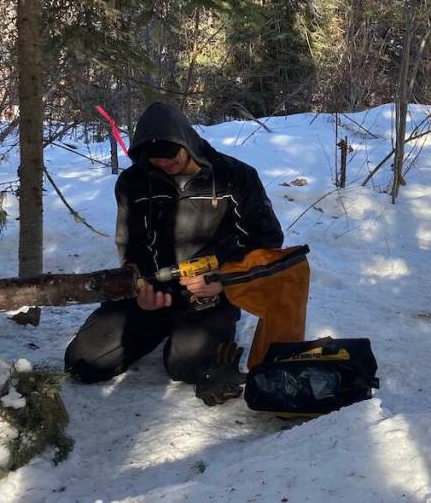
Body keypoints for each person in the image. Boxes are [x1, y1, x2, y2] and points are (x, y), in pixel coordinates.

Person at [65, 102, 283, 401]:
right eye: (155, 160)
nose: (164, 165)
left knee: (188, 366)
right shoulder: (133, 183)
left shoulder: (235, 177)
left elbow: (267, 240)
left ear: (187, 142)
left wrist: (224, 279)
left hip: (211, 292)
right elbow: (131, 244)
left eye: (170, 157)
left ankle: (195, 333)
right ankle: (159, 325)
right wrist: (140, 284)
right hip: (155, 290)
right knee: (83, 362)